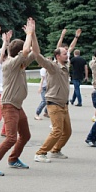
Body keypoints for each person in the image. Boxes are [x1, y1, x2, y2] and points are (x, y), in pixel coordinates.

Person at [0, 18, 35, 176]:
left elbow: (35, 52)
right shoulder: (10, 64)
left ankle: (13, 159)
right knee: (11, 138)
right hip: (9, 105)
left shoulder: (20, 64)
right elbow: (26, 51)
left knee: (25, 135)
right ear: (19, 53)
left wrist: (33, 35)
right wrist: (29, 35)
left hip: (17, 106)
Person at [32, 30, 72, 163]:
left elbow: (68, 48)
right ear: (57, 56)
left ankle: (55, 151)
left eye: (67, 53)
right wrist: (32, 34)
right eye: (65, 53)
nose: (67, 55)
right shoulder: (52, 67)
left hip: (64, 104)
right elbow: (38, 56)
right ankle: (40, 153)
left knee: (67, 131)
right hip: (54, 103)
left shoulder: (65, 67)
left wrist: (72, 37)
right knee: (57, 131)